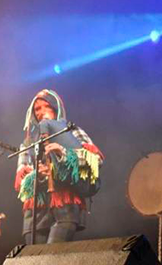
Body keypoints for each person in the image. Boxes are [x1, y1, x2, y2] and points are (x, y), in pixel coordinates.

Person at [14, 89, 104, 245]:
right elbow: (22, 184)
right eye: (37, 109)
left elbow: (95, 162)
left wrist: (63, 154)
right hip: (37, 212)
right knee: (33, 263)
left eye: (46, 106)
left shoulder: (71, 131)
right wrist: (38, 175)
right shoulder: (28, 143)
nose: (41, 112)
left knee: (53, 260)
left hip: (64, 205)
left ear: (55, 109)